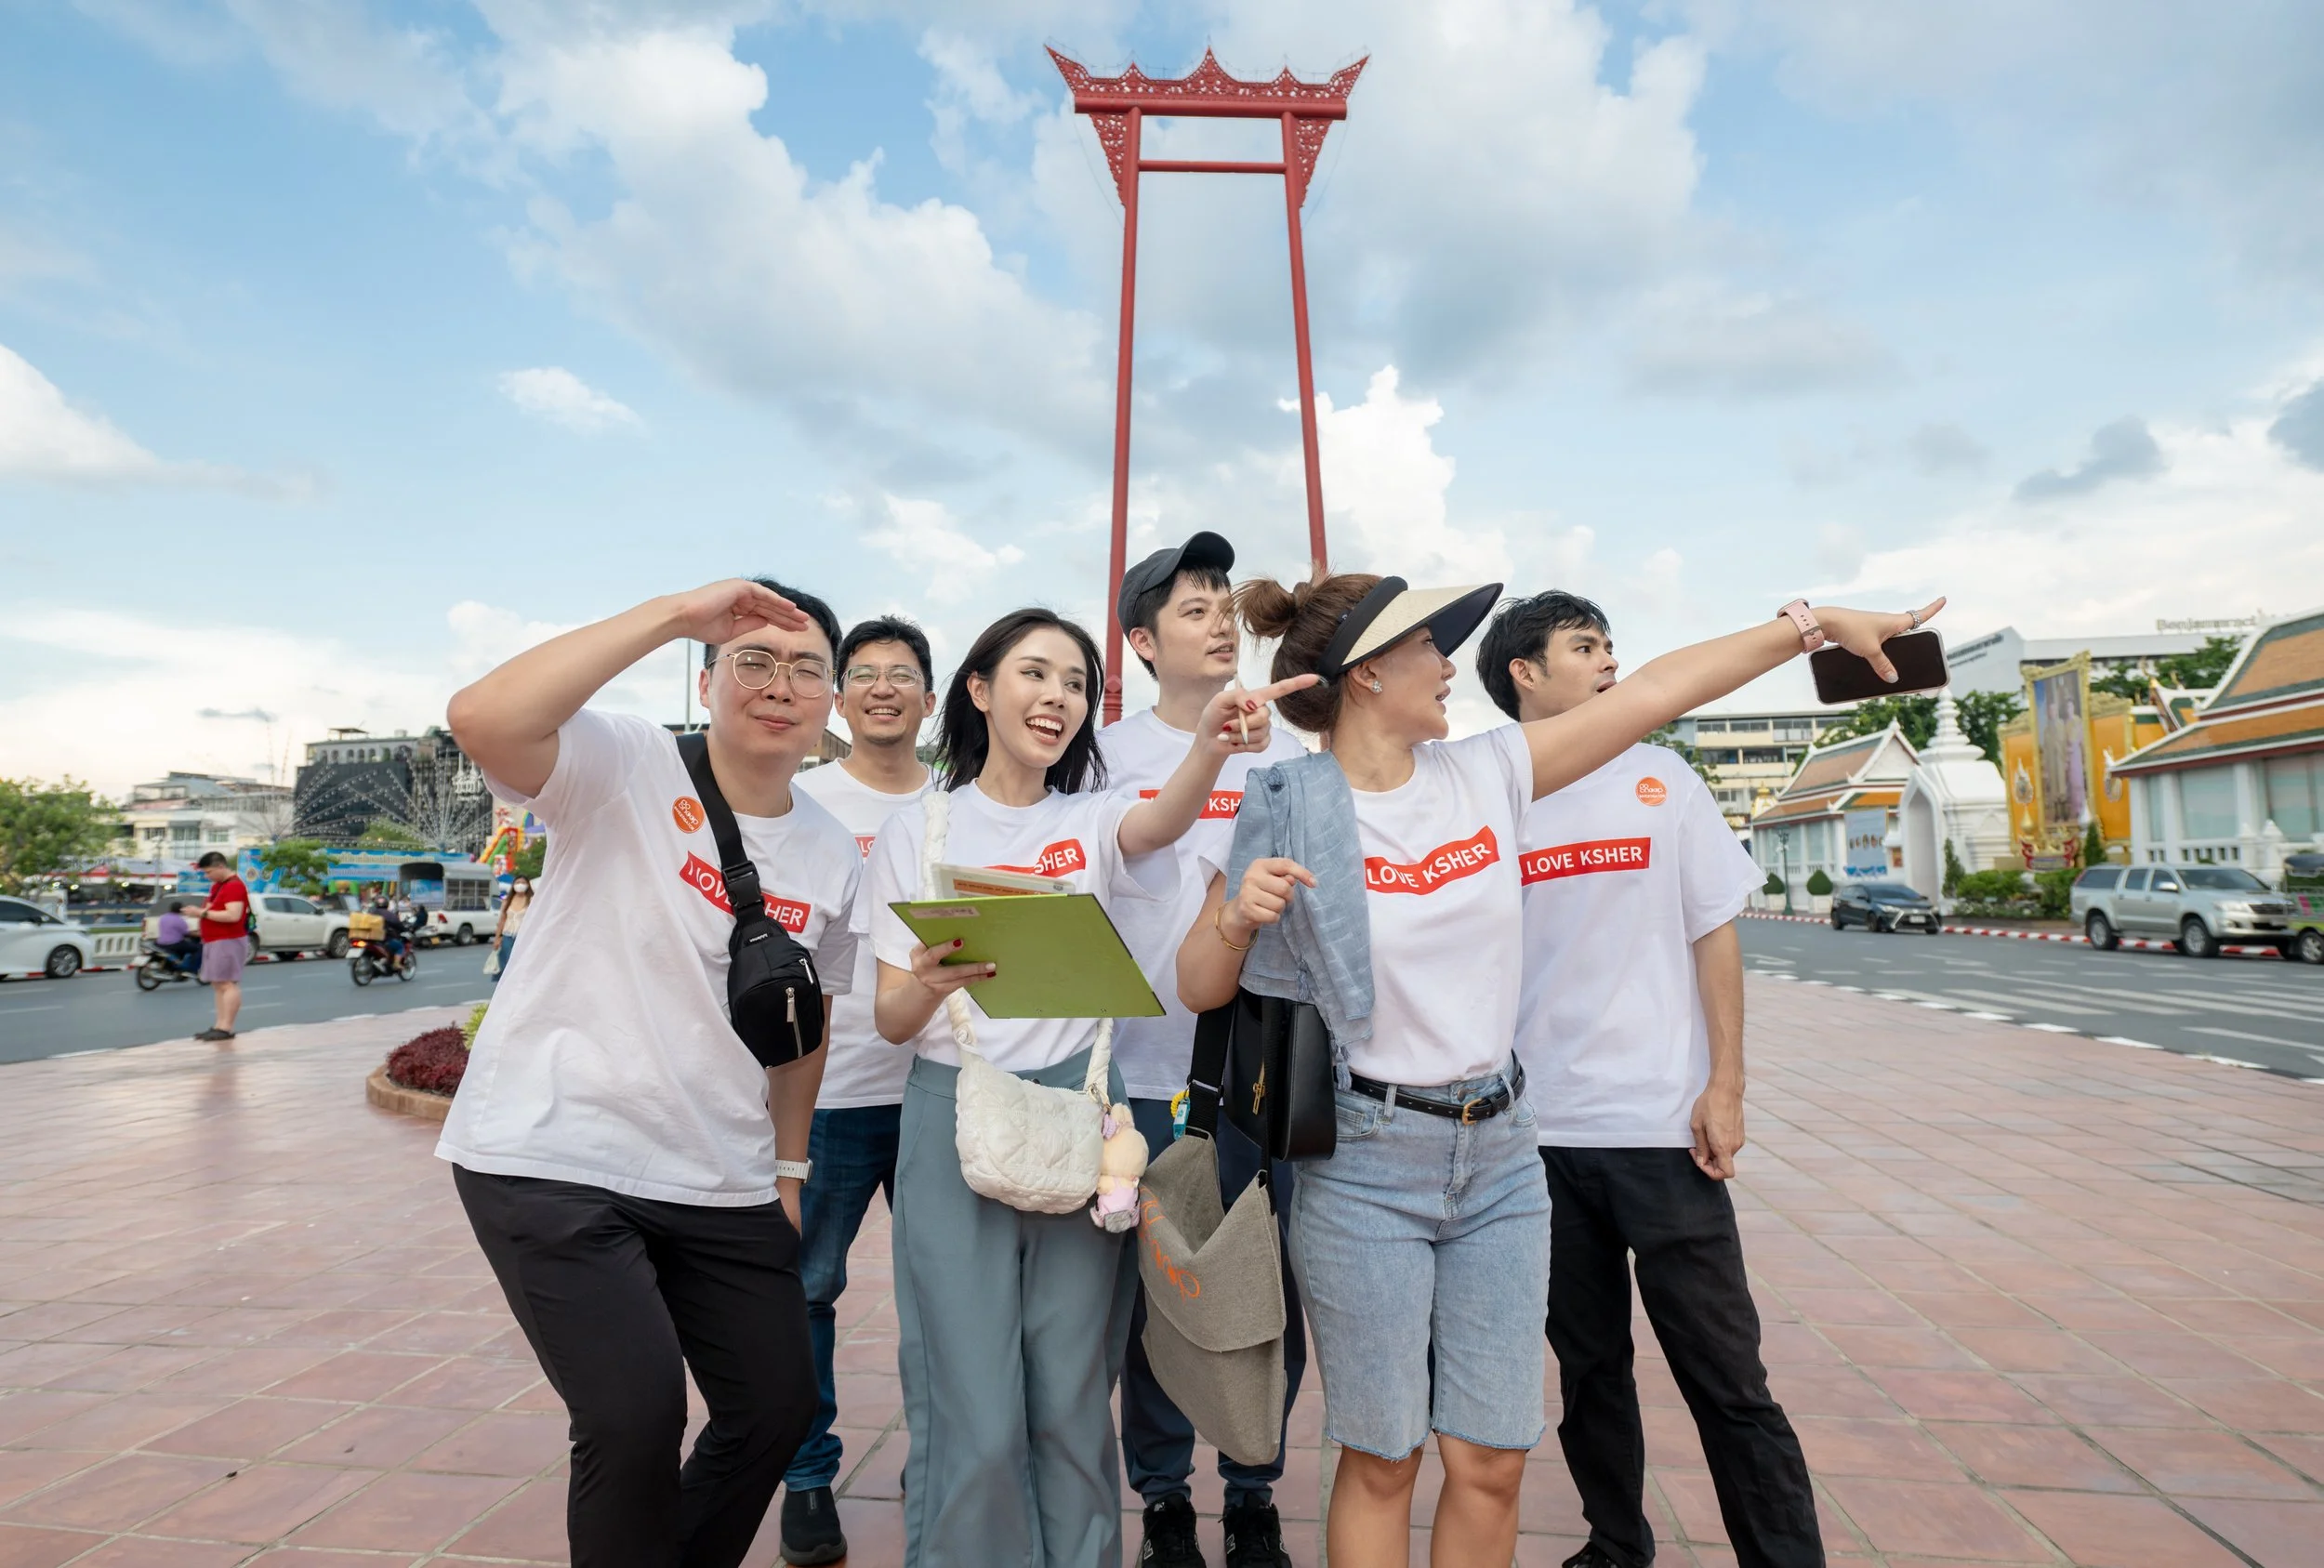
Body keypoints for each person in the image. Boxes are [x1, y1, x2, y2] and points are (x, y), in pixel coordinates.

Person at [1179, 572, 1940, 1568]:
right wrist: (1238, 917)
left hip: (1499, 1156)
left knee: (1492, 1456)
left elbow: (1655, 692)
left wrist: (1805, 627)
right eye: (1427, 649)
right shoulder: (1286, 801)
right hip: (1366, 1162)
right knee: (1383, 1456)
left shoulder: (1487, 773)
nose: (1450, 665)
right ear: (1366, 675)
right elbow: (1200, 984)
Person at [861, 606, 1311, 1568]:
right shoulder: (919, 828)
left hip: (1080, 1123)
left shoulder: (1091, 819)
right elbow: (891, 1018)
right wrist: (933, 979)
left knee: (1070, 1391)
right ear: (980, 692)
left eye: (1073, 681)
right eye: (1033, 674)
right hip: (954, 1114)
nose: (1056, 696)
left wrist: (1206, 746)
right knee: (971, 1399)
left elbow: (1164, 817)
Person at [437, 577, 862, 1568]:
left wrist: (790, 1172)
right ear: (708, 678)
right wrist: (674, 613)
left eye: (806, 668)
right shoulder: (620, 762)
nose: (779, 684)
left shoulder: (832, 852)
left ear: (828, 702)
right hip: (554, 1151)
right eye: (752, 659)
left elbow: (806, 1025)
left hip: (719, 1169)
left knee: (776, 1404)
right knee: (631, 1418)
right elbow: (481, 716)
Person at [1477, 592, 1821, 1568]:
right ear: (1524, 673)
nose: (1608, 663)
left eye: (1610, 647)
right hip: (1536, 1142)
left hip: (1660, 1131)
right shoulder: (1495, 793)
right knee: (1589, 1370)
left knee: (1725, 1376)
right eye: (1584, 648)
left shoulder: (1660, 779)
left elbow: (1713, 929)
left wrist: (1727, 1086)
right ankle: (1615, 1544)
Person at [1096, 533, 1307, 1568]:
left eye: (1225, 600)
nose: (1220, 617)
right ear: (1139, 640)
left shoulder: (1288, 750)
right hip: (1138, 1072)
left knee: (1260, 1282)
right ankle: (1165, 1496)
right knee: (1160, 1293)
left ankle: (1254, 1487)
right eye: (1190, 606)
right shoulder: (1101, 758)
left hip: (1261, 1076)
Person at [777, 614, 939, 1567]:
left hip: (935, 1089)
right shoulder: (801, 804)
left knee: (944, 1290)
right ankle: (806, 1477)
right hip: (829, 1097)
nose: (883, 688)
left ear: (930, 696)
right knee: (808, 1289)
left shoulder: (959, 806)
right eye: (864, 675)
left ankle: (943, 1454)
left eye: (902, 674)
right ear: (838, 699)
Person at [191, 851, 248, 1040]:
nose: (207, 876)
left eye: (209, 872)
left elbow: (233, 915)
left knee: (226, 983)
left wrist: (202, 914)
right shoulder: (219, 886)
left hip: (227, 940)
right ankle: (219, 1025)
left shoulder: (233, 886)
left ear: (221, 866)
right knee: (218, 984)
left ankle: (226, 1027)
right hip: (215, 940)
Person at [492, 876, 533, 983]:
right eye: (517, 882)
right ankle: (506, 985)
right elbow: (502, 920)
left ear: (528, 885)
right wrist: (497, 938)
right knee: (507, 963)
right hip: (508, 935)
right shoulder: (507, 901)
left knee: (521, 962)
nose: (520, 885)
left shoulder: (532, 901)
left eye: (523, 883)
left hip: (523, 937)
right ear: (513, 885)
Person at [154, 901, 200, 970]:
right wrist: (198, 934)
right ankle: (192, 968)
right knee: (198, 948)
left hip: (161, 943)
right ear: (181, 910)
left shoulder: (163, 917)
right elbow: (186, 933)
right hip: (174, 944)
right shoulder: (179, 920)